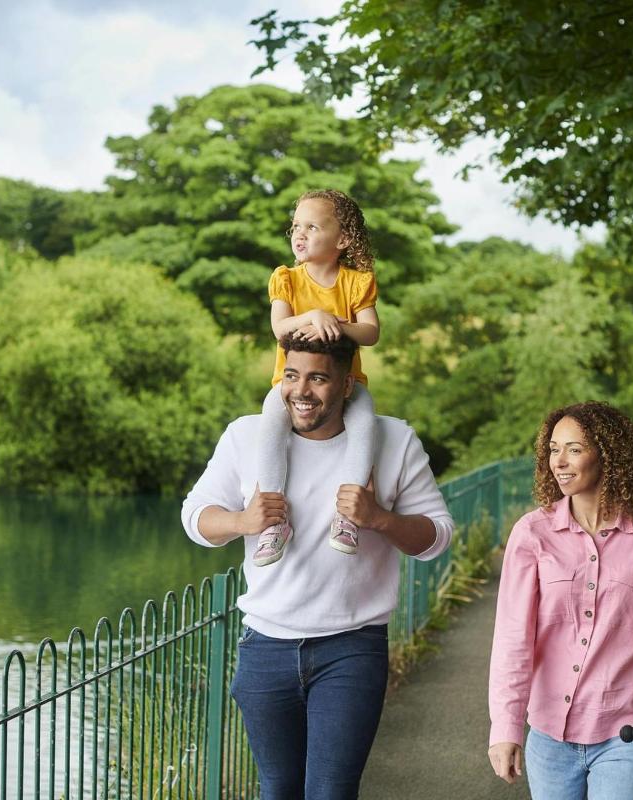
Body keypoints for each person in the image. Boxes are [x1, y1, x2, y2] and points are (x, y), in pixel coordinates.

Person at [181, 333, 454, 800]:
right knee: (278, 788)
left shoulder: (394, 439)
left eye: (318, 378)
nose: (300, 391)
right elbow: (195, 516)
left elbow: (438, 537)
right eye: (291, 375)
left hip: (352, 647)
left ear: (348, 384)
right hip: (265, 646)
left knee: (331, 790)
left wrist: (380, 519)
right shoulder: (245, 435)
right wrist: (242, 520)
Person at [487, 401, 633, 799]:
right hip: (550, 736)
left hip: (628, 733)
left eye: (574, 448)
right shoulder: (532, 534)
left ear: (608, 454)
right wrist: (506, 727)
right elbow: (514, 638)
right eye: (553, 449)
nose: (559, 461)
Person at [253, 188, 381, 567]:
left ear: (342, 239)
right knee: (270, 426)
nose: (300, 234)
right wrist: (313, 317)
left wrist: (337, 324)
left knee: (364, 424)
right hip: (289, 385)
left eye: (312, 226)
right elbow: (280, 327)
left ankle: (347, 514)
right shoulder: (287, 279)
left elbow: (371, 332)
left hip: (346, 385)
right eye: (296, 226)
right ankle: (274, 521)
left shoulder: (356, 283)